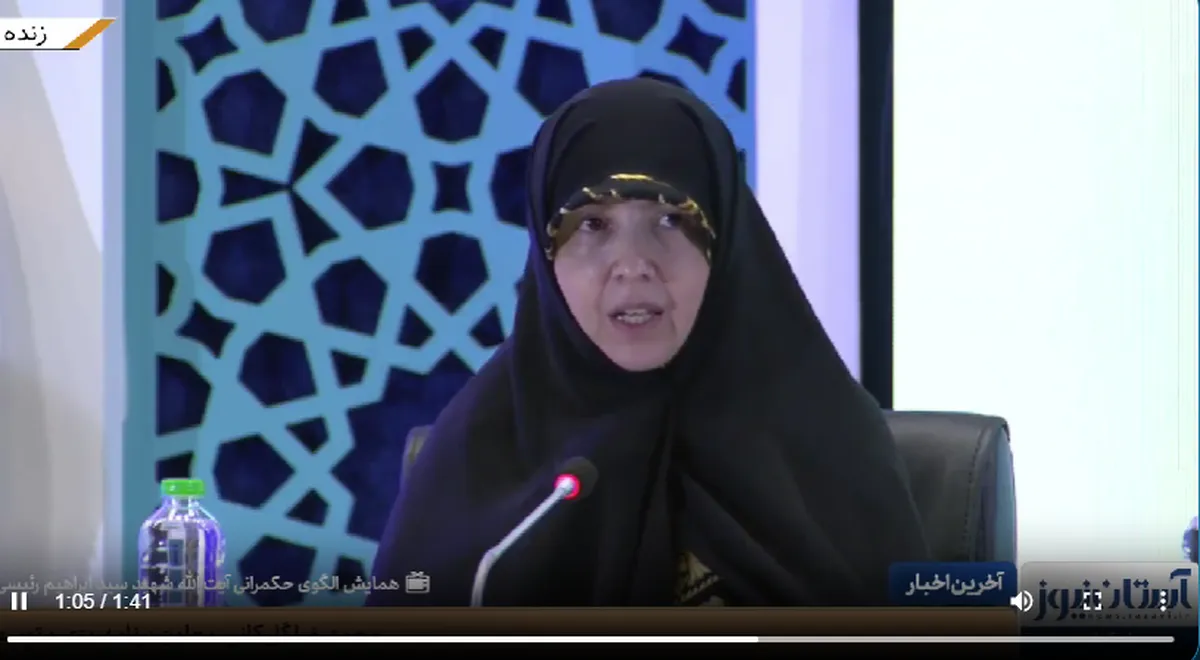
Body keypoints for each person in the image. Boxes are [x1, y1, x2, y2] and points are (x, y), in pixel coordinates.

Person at [367, 78, 929, 606]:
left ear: (726, 244)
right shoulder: (478, 462)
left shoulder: (830, 448)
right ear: (546, 254)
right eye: (593, 224)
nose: (633, 265)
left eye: (670, 221)